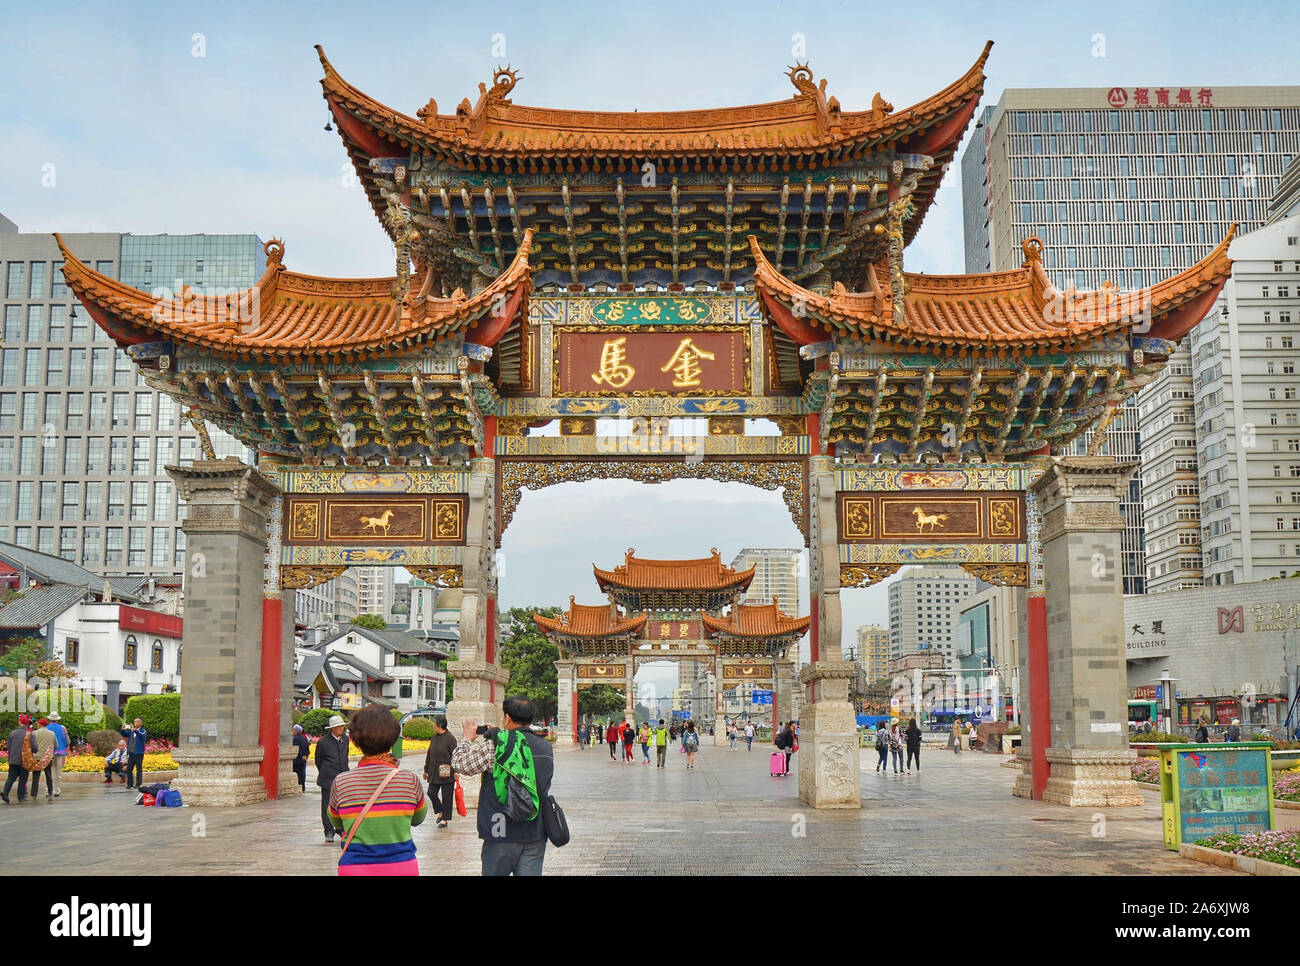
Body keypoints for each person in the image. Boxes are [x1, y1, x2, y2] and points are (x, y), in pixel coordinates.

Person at [452, 695, 556, 877]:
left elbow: (460, 764)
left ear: (507, 717)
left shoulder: (495, 745)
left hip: (499, 829)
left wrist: (467, 739)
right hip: (535, 830)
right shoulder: (545, 748)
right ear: (531, 719)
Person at [327, 704, 427, 876]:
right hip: (401, 866)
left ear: (354, 739)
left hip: (355, 868)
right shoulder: (409, 780)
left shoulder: (341, 782)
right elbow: (418, 818)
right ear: (394, 739)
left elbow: (336, 822)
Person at [314, 714, 351, 843]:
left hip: (343, 778)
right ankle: (328, 831)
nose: (341, 728)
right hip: (328, 779)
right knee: (327, 806)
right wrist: (326, 772)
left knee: (343, 805)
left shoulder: (345, 739)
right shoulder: (323, 742)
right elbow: (318, 760)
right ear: (332, 729)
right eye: (338, 727)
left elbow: (345, 756)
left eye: (342, 726)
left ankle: (341, 830)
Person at [422, 715, 458, 828]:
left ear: (440, 725)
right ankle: (440, 811)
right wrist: (426, 769)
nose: (433, 726)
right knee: (431, 793)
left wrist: (456, 770)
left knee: (447, 796)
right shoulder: (434, 738)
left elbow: (456, 756)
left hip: (447, 771)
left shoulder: (450, 738)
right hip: (433, 771)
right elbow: (429, 754)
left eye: (434, 724)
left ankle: (445, 819)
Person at [1, 714, 35, 804]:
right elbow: (35, 748)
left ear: (20, 723)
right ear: (28, 725)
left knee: (11, 778)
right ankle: (21, 797)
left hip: (13, 760)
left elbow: (8, 746)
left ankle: (5, 792)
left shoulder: (12, 733)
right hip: (24, 760)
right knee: (23, 778)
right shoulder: (30, 734)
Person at [29, 718, 56, 799]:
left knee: (36, 776)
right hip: (47, 758)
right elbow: (56, 745)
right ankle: (50, 791)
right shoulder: (52, 734)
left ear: (40, 724)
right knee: (48, 774)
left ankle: (34, 794)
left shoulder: (34, 733)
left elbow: (31, 745)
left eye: (38, 724)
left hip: (36, 757)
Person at [119, 717, 148, 789]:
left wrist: (135, 731)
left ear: (141, 723)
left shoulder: (142, 731)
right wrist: (122, 730)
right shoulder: (131, 732)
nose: (135, 723)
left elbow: (142, 736)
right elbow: (125, 734)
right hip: (131, 753)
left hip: (139, 753)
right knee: (129, 769)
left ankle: (138, 784)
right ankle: (130, 784)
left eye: (137, 722)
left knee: (139, 769)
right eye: (134, 722)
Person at [47, 712, 69, 798]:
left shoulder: (47, 728)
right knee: (58, 772)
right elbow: (67, 740)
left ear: (50, 719)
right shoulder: (62, 728)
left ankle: (48, 790)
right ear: (57, 720)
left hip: (49, 752)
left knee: (49, 772)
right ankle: (57, 790)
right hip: (60, 752)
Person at [291, 724, 311, 792]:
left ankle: (298, 787)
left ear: (296, 731)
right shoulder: (303, 738)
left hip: (297, 760)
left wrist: (301, 755)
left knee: (297, 774)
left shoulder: (295, 739)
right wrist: (305, 755)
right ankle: (303, 788)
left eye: (293, 730)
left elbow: (296, 750)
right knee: (301, 774)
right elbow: (307, 749)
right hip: (303, 760)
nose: (292, 731)